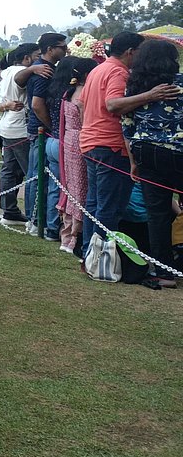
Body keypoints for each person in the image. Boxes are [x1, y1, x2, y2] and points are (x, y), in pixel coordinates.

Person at [79, 31, 180, 258]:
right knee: (110, 207)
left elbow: (81, 103)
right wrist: (150, 96)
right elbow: (113, 104)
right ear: (130, 52)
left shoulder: (98, 69)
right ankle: (100, 257)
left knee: (95, 203)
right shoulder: (118, 71)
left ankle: (89, 251)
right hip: (111, 145)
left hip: (91, 141)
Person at [122, 39, 183, 279]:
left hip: (146, 150)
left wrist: (133, 161)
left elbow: (126, 124)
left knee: (156, 214)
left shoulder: (135, 86)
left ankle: (163, 271)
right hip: (179, 150)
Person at [0, 43, 46, 227]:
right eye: (37, 55)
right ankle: (35, 216)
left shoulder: (5, 73)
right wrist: (33, 69)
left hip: (7, 128)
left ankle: (8, 210)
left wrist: (6, 106)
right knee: (30, 173)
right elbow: (19, 80)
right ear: (26, 58)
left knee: (9, 171)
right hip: (20, 130)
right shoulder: (23, 72)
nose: (40, 59)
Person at [52, 56, 98, 257]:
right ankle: (73, 237)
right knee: (80, 188)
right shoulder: (83, 96)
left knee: (71, 187)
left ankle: (67, 232)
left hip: (68, 139)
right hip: (80, 141)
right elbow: (86, 122)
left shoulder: (68, 93)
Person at [26, 32, 68, 239]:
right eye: (62, 46)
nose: (65, 49)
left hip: (39, 129)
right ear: (50, 49)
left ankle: (34, 219)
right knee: (38, 177)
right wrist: (51, 126)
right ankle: (35, 221)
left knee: (37, 176)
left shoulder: (41, 67)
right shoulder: (44, 70)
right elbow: (36, 103)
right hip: (41, 131)